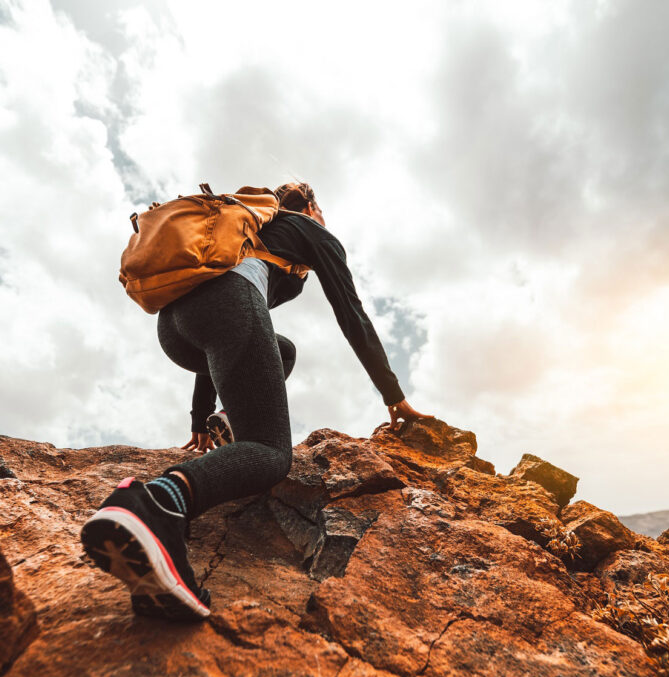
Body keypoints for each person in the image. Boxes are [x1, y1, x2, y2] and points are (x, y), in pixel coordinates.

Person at [80, 182, 432, 621]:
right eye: (320, 208)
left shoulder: (254, 230)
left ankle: (221, 431)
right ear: (312, 206)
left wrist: (201, 417)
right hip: (228, 306)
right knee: (268, 452)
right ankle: (156, 505)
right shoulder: (310, 230)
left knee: (281, 349)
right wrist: (392, 393)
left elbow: (218, 331)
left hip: (175, 326)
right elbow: (351, 314)